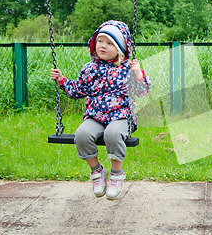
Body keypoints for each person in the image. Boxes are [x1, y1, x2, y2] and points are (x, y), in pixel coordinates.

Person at [50, 20, 151, 200]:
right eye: (100, 41)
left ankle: (116, 173)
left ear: (120, 47)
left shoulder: (127, 69)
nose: (102, 46)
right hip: (95, 116)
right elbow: (78, 91)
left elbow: (142, 91)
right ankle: (97, 171)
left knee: (112, 134)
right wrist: (62, 81)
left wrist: (138, 73)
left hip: (121, 117)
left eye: (109, 43)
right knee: (81, 135)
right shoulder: (90, 69)